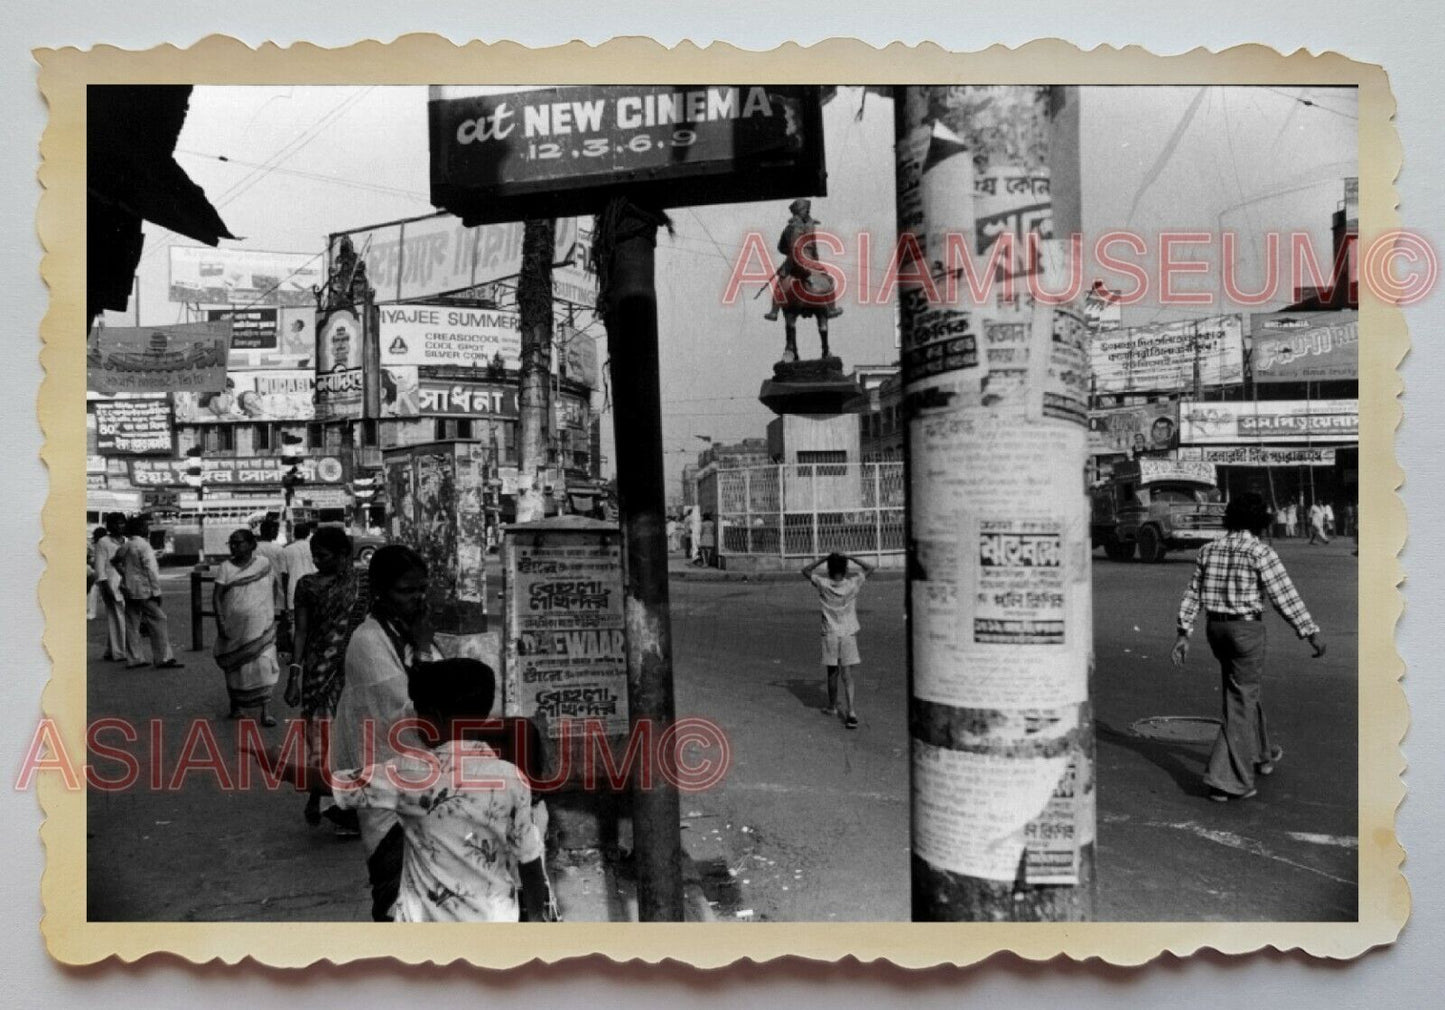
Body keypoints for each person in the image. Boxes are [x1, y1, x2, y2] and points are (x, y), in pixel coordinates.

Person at [1170, 492, 1326, 802]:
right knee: (1240, 699)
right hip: (1246, 631)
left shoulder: (1208, 550)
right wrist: (1309, 632)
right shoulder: (1260, 552)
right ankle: (1224, 781)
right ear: (1260, 520)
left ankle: (1261, 754)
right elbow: (1285, 597)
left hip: (1216, 629)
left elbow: (1192, 594)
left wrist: (1183, 633)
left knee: (1242, 691)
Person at [332, 544, 441, 921]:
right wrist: (425, 647)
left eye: (421, 590)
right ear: (380, 590)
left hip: (428, 787)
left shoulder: (406, 630)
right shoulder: (368, 641)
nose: (418, 599)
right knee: (396, 903)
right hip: (389, 792)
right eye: (407, 591)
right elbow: (415, 711)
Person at [286, 525, 369, 827]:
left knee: (353, 734)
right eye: (314, 557)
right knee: (318, 737)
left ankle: (348, 801)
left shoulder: (364, 583)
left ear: (344, 554)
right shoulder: (308, 585)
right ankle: (317, 794)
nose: (317, 562)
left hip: (356, 667)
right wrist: (294, 674)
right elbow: (302, 632)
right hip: (318, 670)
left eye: (323, 556)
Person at [213, 528, 283, 725]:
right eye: (231, 543)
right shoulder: (225, 567)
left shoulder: (264, 564)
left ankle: (265, 711)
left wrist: (269, 610)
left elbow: (273, 587)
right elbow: (217, 597)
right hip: (235, 629)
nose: (234, 546)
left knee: (264, 666)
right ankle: (236, 706)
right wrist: (220, 622)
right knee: (235, 667)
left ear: (252, 545)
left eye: (239, 542)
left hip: (262, 627)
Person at [801, 551, 875, 729]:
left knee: (832, 673)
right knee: (847, 674)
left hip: (830, 634)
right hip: (848, 633)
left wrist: (825, 558)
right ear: (845, 568)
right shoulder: (852, 584)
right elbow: (870, 568)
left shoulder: (823, 584)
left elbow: (805, 570)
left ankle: (832, 706)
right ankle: (851, 711)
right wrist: (850, 557)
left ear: (829, 568)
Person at [115, 515, 181, 669]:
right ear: (139, 529)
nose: (148, 528)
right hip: (145, 590)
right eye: (145, 525)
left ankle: (135, 658)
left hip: (128, 589)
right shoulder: (144, 546)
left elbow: (115, 561)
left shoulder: (126, 545)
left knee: (132, 622)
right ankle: (163, 657)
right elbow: (151, 570)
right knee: (159, 619)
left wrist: (125, 574)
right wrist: (156, 591)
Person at [92, 514, 129, 661]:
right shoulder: (103, 542)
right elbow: (99, 567)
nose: (120, 526)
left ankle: (111, 650)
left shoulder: (126, 541)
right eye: (117, 523)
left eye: (122, 523)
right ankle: (120, 652)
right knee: (118, 616)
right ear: (111, 525)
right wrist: (105, 585)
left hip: (126, 583)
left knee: (119, 616)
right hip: (110, 583)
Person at [279, 521, 318, 642]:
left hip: (294, 590)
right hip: (313, 589)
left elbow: (284, 576)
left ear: (294, 534)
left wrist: (285, 598)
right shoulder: (314, 547)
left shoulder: (286, 550)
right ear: (308, 534)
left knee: (295, 625)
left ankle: (296, 655)